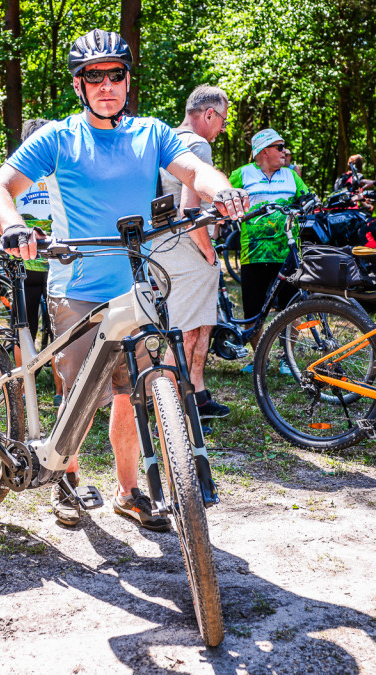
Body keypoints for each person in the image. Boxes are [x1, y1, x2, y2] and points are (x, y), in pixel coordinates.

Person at [0, 29, 249, 529]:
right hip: (77, 286)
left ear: (127, 80)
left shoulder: (152, 133)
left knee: (132, 393)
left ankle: (129, 491)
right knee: (77, 395)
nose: (106, 84)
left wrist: (224, 191)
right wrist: (13, 224)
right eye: (93, 76)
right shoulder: (58, 137)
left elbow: (195, 172)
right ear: (79, 86)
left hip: (139, 287)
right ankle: (67, 480)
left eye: (116, 74)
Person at [155, 85, 231, 428]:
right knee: (186, 330)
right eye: (223, 121)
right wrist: (208, 249)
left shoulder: (167, 139)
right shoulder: (197, 144)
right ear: (209, 114)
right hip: (185, 243)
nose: (222, 130)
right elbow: (191, 208)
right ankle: (171, 411)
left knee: (202, 323)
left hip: (165, 242)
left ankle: (196, 394)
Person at [229, 129, 309, 338]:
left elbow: (308, 200)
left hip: (287, 254)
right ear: (264, 151)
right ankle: (257, 358)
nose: (285, 152)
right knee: (253, 310)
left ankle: (287, 358)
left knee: (292, 308)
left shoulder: (291, 175)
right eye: (280, 147)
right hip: (253, 253)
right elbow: (225, 202)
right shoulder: (241, 174)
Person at [14, 118, 64, 406]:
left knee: (24, 327)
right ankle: (61, 391)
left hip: (25, 262)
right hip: (55, 261)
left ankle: (23, 391)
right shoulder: (58, 168)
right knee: (58, 327)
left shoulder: (17, 171)